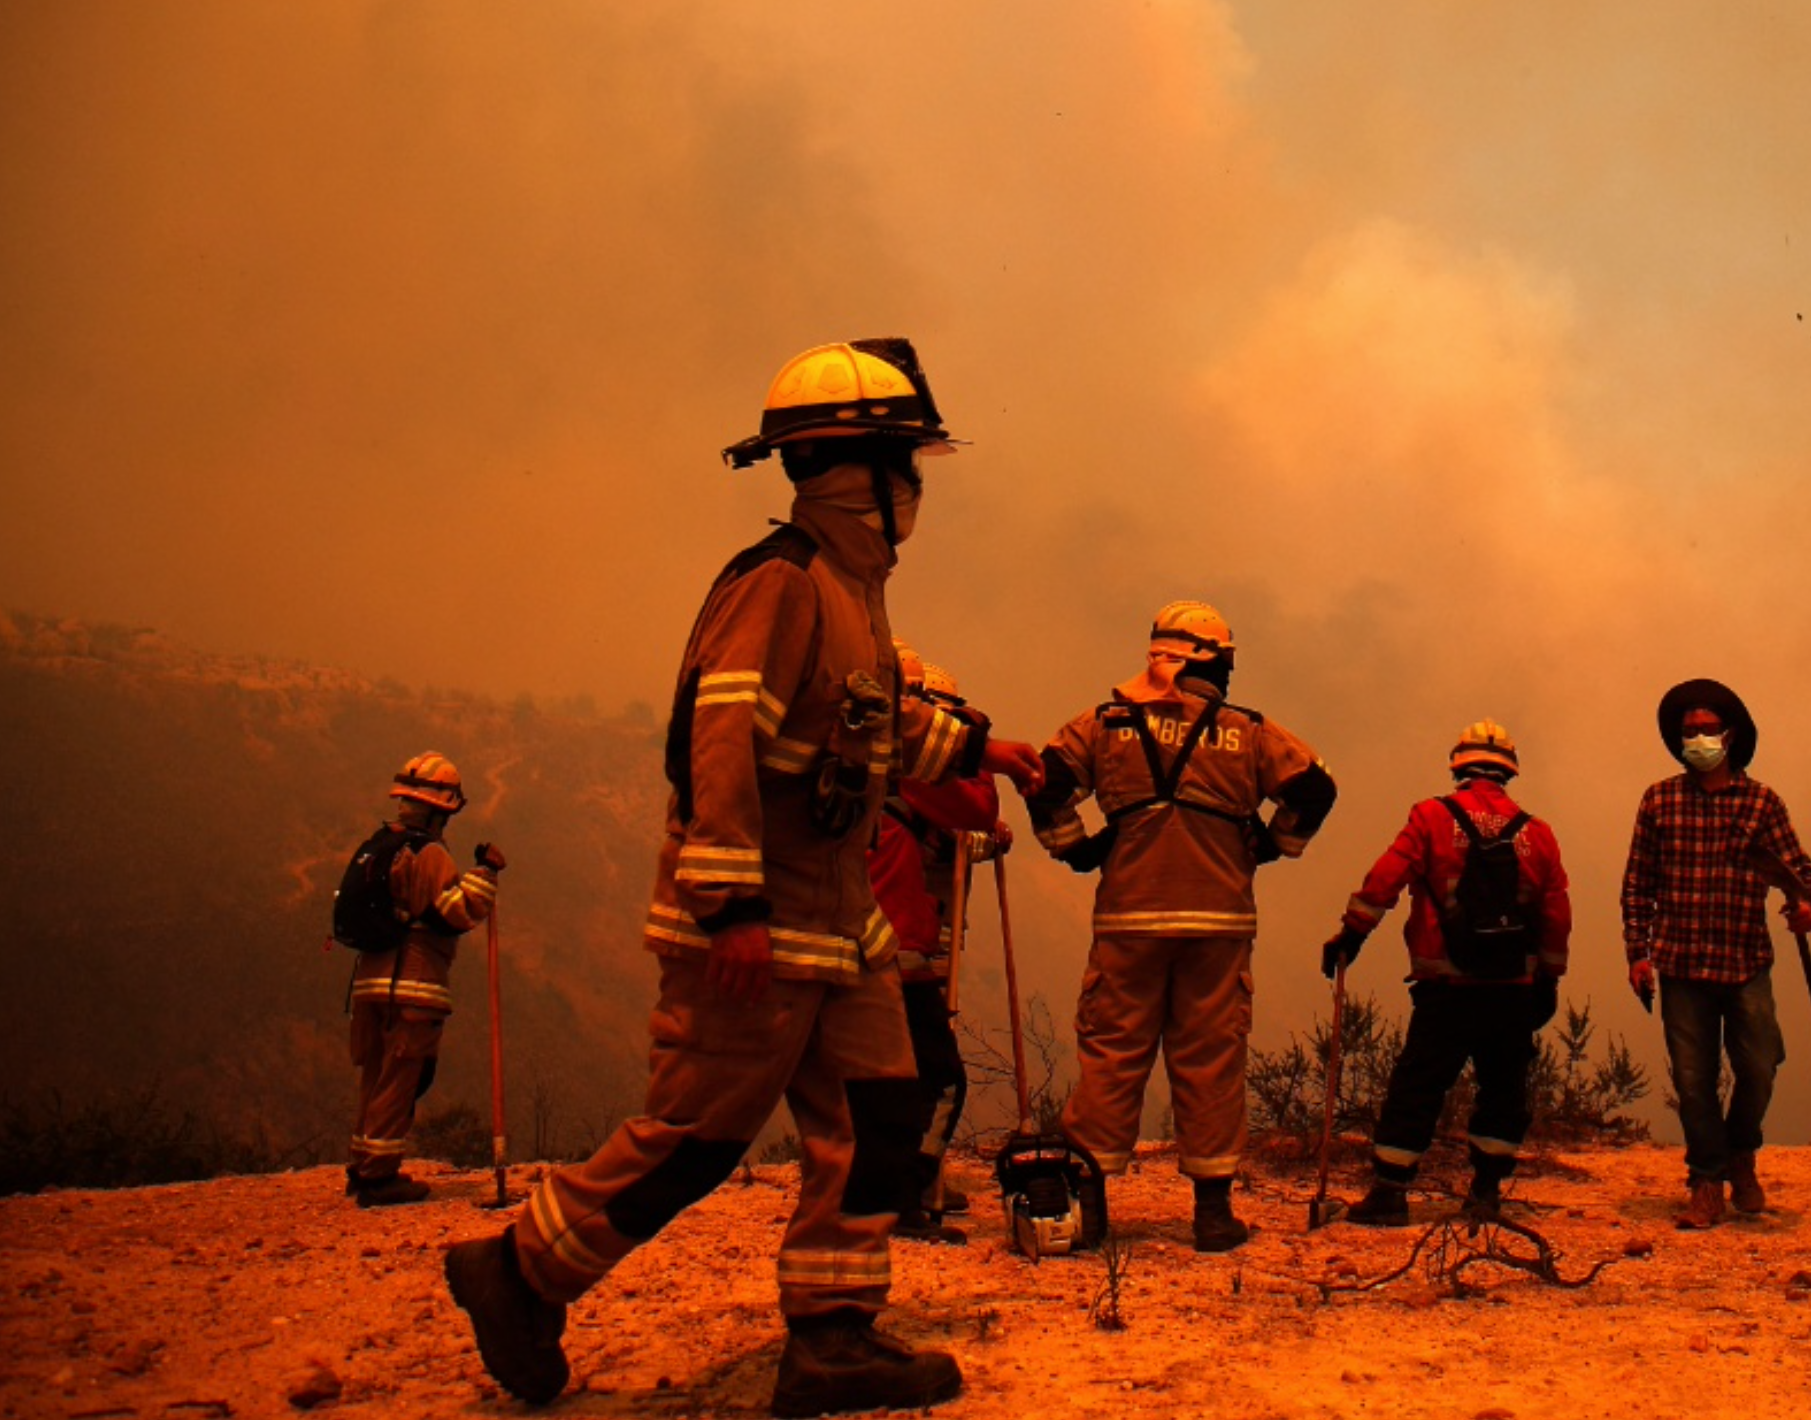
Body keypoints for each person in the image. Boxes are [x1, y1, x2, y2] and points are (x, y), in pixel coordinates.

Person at [443, 339, 1043, 1415]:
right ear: (856, 465)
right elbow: (714, 740)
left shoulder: (854, 593)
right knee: (697, 1137)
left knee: (880, 1119)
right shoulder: (780, 582)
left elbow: (855, 725)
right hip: (760, 923)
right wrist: (728, 909)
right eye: (906, 461)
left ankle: (831, 1339)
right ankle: (521, 1269)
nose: (914, 487)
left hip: (838, 926)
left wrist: (975, 748)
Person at [1025, 600, 1336, 1252]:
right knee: (1212, 1057)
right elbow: (1315, 791)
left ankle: (1090, 1206)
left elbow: (1043, 779)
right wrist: (1270, 843)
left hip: (1128, 919)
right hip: (1219, 923)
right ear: (1213, 662)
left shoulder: (1105, 724)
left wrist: (1076, 847)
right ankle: (1213, 1214)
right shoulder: (1249, 731)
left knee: (1112, 1053)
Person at [1319, 720, 1571, 1226]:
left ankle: (1390, 1193)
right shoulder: (1537, 834)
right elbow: (1556, 913)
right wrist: (1548, 978)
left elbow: (1386, 877)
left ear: (1457, 764)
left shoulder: (1432, 818)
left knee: (1419, 1084)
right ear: (1509, 771)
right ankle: (1484, 1194)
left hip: (1446, 987)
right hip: (1512, 990)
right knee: (1503, 1089)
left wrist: (1351, 934)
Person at [1621, 678, 1811, 1230]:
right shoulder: (1659, 801)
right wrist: (1637, 953)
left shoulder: (1762, 803)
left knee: (1760, 1065)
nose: (1699, 739)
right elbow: (1638, 883)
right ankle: (1707, 1181)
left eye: (1708, 730)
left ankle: (1742, 1151)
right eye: (1689, 732)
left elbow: (1801, 877)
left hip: (1745, 961)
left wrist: (1805, 907)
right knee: (1693, 1081)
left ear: (1730, 736)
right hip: (1681, 963)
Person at [868, 647, 1007, 1243]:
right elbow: (974, 808)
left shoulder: (852, 758)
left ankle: (880, 1195)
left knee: (869, 1080)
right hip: (899, 944)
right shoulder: (912, 766)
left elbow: (946, 837)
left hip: (863, 939)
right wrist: (972, 747)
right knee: (936, 1078)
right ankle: (904, 1196)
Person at [342, 751, 501, 1207]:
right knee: (402, 1077)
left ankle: (362, 1163)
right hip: (413, 984)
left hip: (370, 981)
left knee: (375, 1075)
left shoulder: (382, 845)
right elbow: (452, 912)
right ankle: (379, 1178)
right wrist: (485, 875)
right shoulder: (427, 853)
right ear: (441, 809)